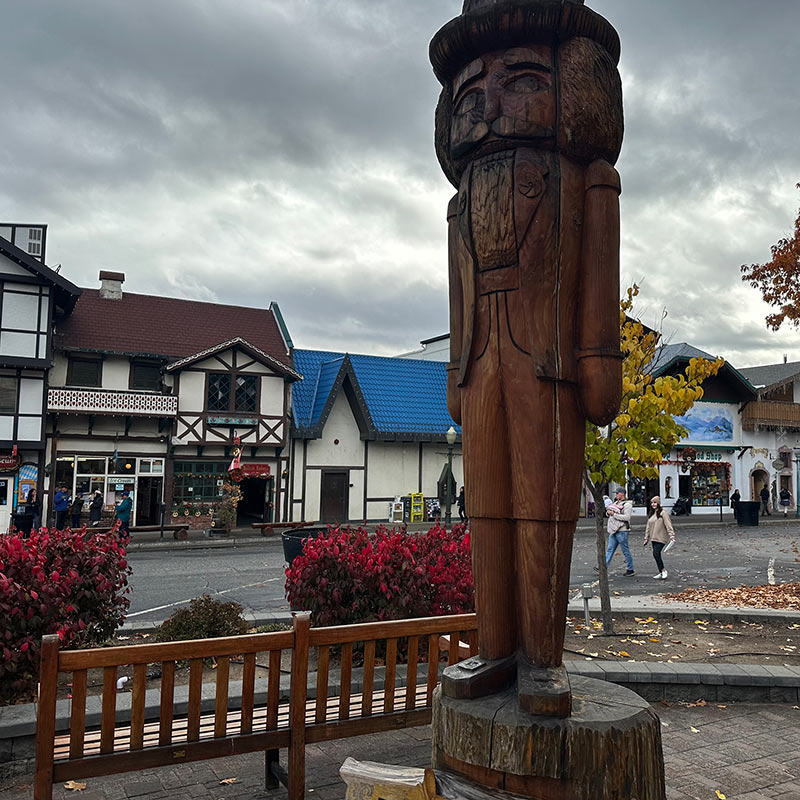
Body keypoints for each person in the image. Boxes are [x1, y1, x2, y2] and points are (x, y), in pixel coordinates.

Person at [643, 496, 675, 580]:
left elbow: (668, 524)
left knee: (656, 553)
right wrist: (646, 537)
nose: (653, 504)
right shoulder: (651, 513)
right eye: (652, 503)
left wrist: (672, 535)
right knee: (656, 555)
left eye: (655, 502)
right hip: (653, 537)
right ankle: (661, 572)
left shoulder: (663, 513)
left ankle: (663, 570)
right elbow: (648, 527)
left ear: (658, 503)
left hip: (661, 537)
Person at [605, 489, 635, 576]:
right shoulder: (616, 503)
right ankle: (604, 567)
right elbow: (609, 512)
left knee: (625, 550)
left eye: (617, 493)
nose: (616, 495)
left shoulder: (627, 505)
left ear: (623, 494)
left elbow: (626, 517)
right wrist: (609, 512)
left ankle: (630, 569)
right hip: (614, 530)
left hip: (622, 530)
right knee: (610, 549)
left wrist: (613, 514)